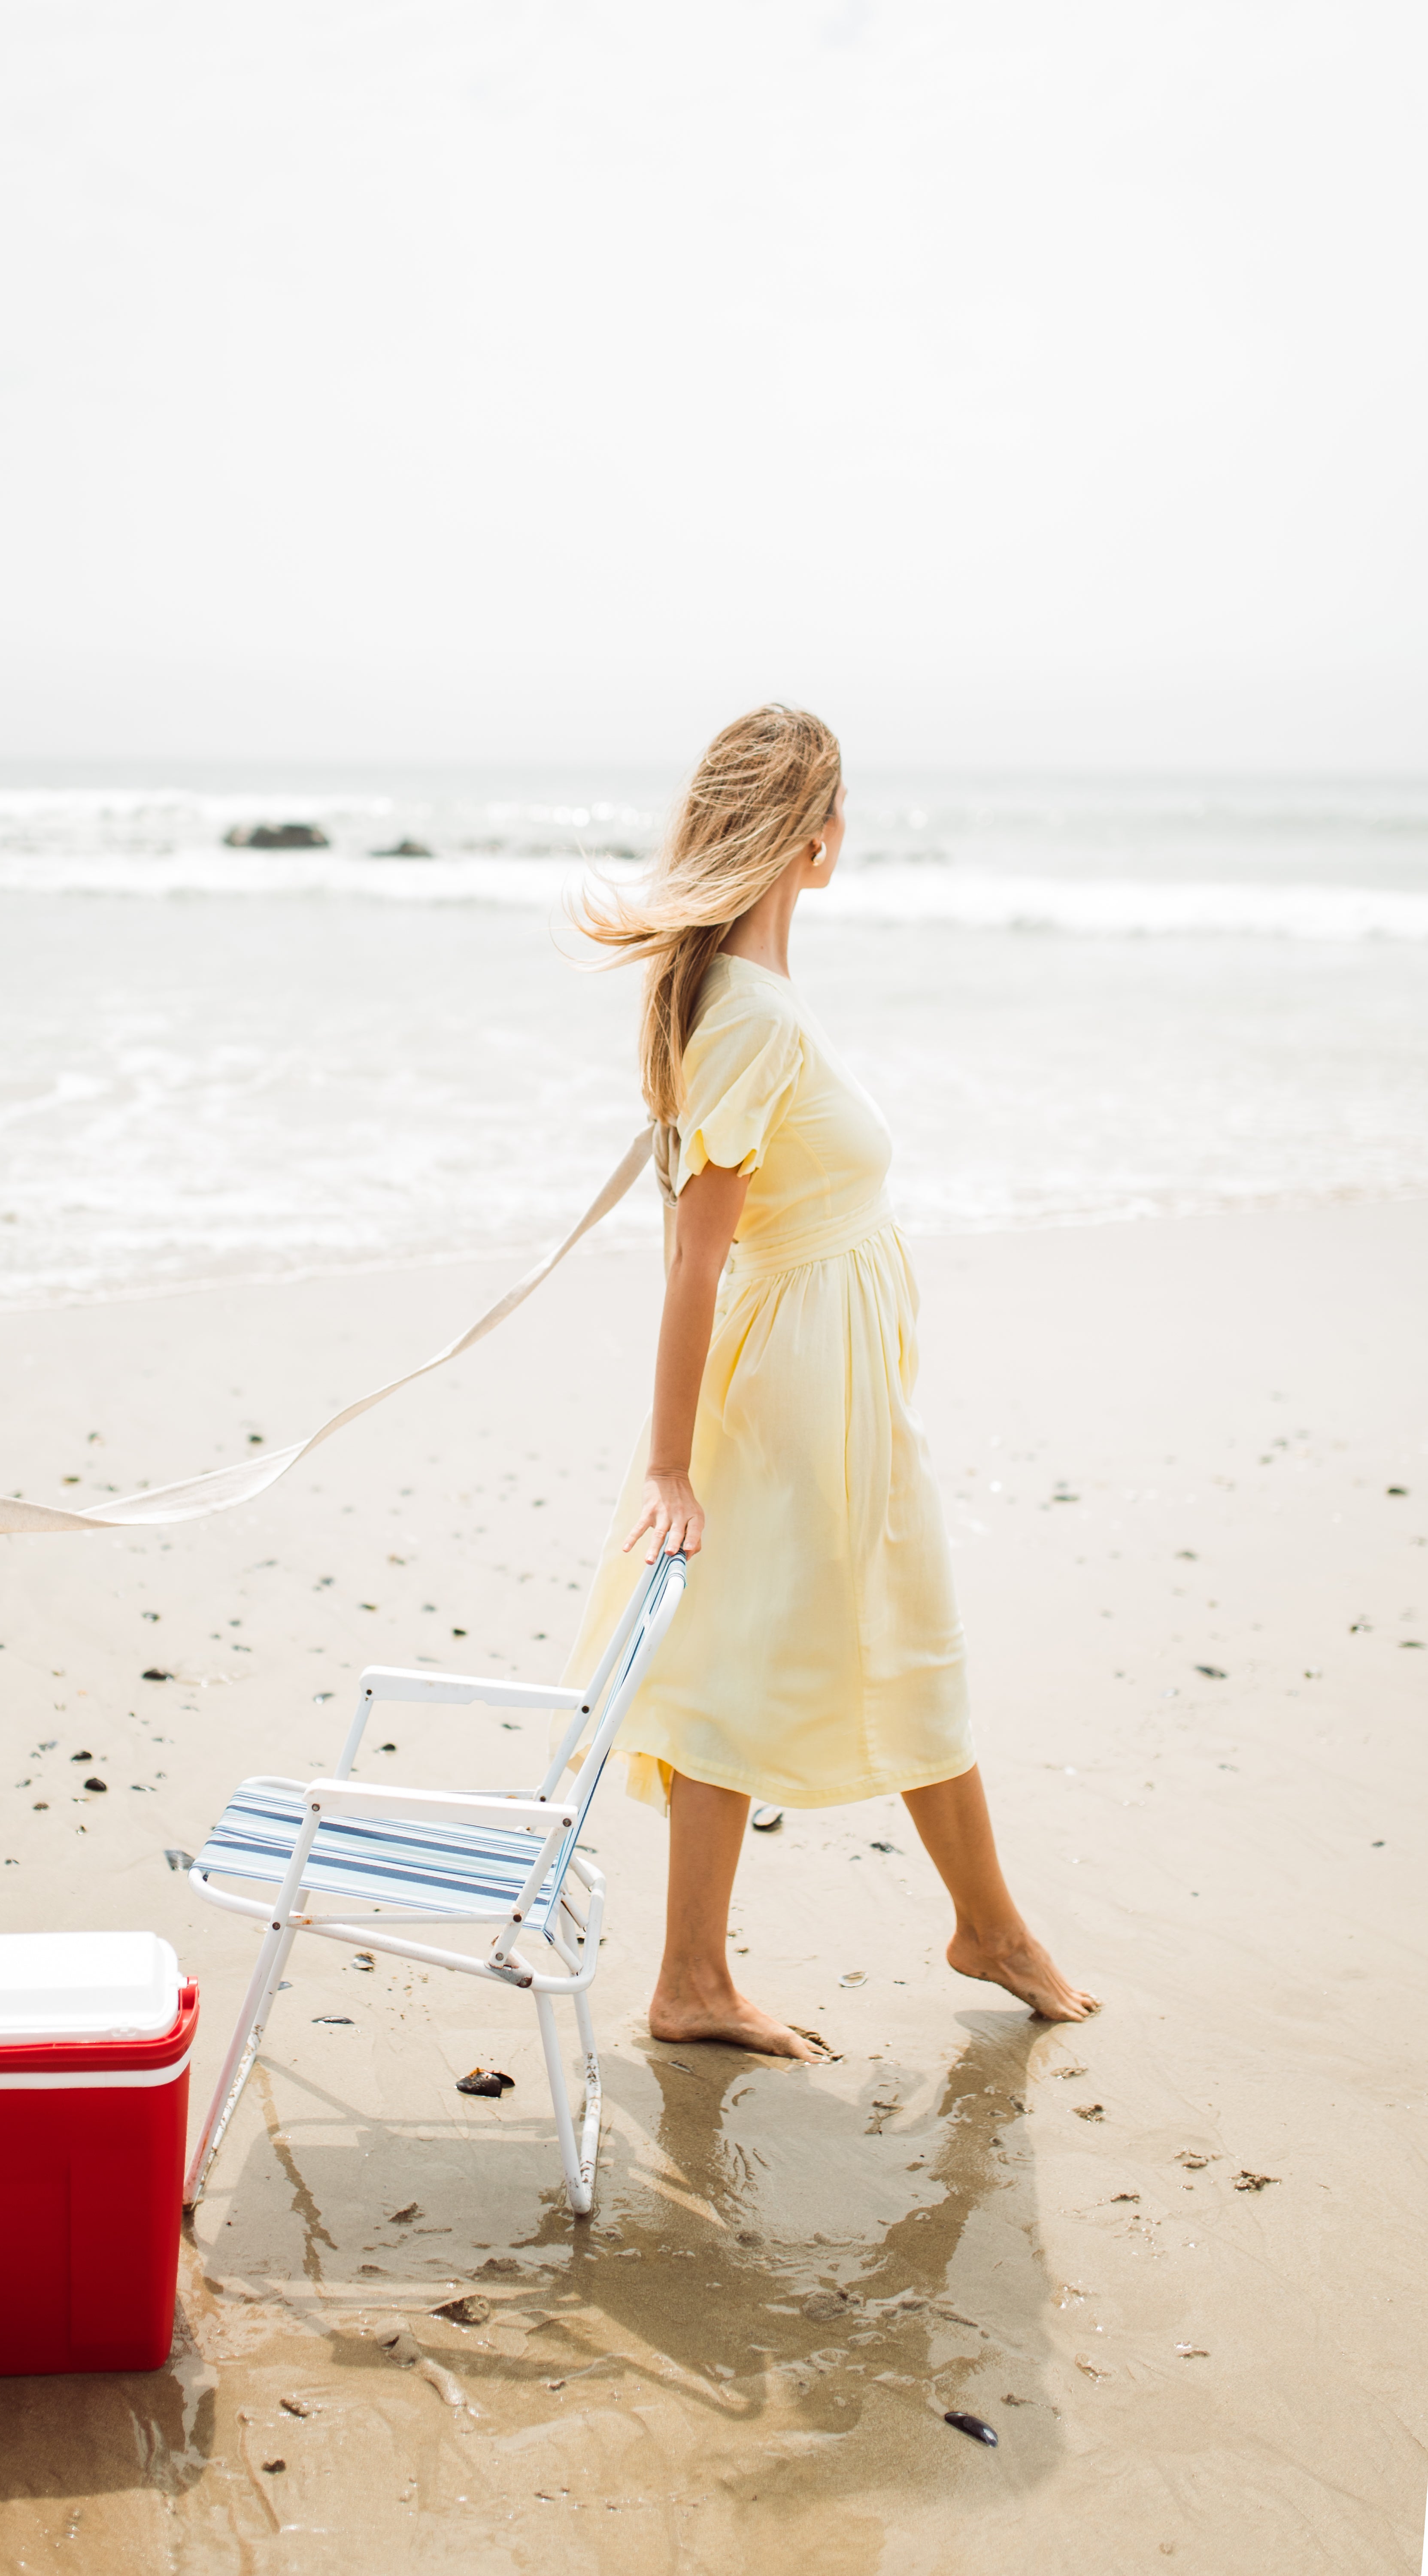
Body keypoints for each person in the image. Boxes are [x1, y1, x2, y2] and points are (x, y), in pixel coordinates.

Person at [567, 705, 1096, 2056]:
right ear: (817, 835)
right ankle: (973, 1928)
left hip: (825, 1376)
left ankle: (739, 1966)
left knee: (768, 1645)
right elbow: (697, 1257)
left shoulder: (753, 997)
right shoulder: (749, 1014)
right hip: (804, 1392)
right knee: (868, 1633)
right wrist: (670, 1463)